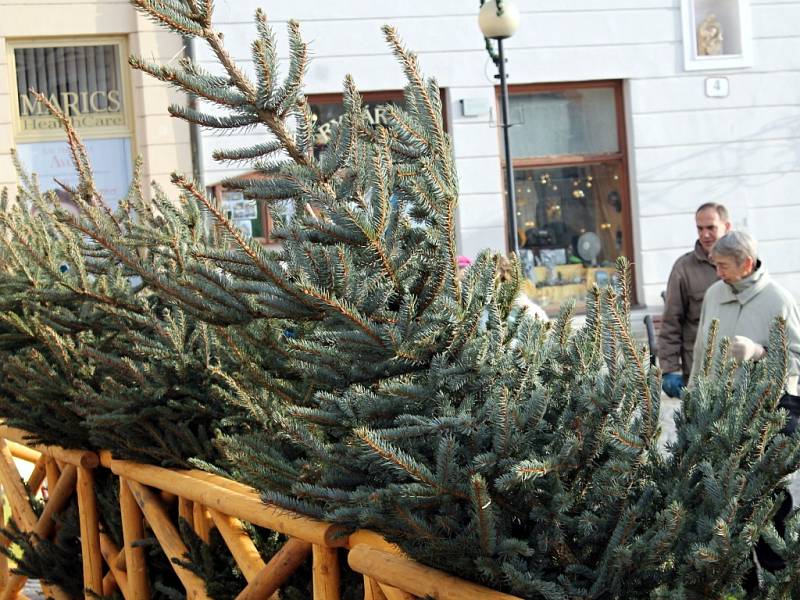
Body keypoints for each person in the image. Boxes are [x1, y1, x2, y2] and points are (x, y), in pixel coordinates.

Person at [689, 231, 800, 590]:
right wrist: (693, 395)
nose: (717, 272)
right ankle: (742, 585)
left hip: (766, 417)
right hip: (718, 414)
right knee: (724, 505)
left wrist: (760, 353)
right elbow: (701, 351)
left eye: (722, 266)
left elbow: (797, 358)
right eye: (714, 265)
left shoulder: (778, 300)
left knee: (769, 503)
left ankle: (780, 578)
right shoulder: (714, 295)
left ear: (747, 264)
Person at [658, 203, 732, 397]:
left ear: (727, 227)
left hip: (738, 372)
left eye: (711, 228)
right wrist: (670, 369)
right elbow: (671, 322)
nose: (705, 234)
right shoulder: (683, 269)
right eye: (700, 228)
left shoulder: (743, 264)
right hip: (698, 374)